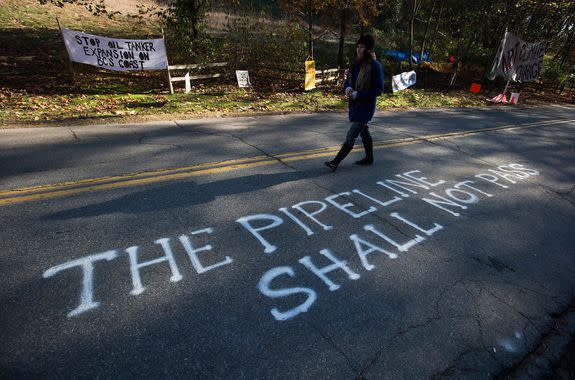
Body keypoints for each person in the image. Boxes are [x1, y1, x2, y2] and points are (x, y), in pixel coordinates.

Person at [325, 34, 384, 171]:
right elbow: (348, 80)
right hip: (355, 104)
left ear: (368, 49)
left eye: (362, 47)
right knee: (364, 132)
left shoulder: (375, 66)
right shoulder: (355, 64)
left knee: (351, 135)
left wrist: (360, 94)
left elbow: (379, 89)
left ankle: (335, 162)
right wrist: (348, 88)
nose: (358, 49)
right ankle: (369, 158)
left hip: (366, 107)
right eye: (358, 46)